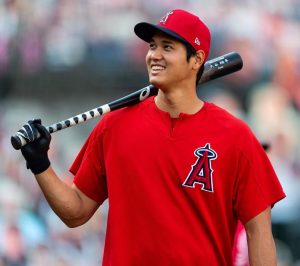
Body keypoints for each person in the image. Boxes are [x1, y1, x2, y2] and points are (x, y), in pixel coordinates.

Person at [18, 9, 285, 265]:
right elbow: (76, 212)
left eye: (167, 47)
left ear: (197, 59)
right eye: (152, 46)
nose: (154, 55)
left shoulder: (235, 136)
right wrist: (41, 165)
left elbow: (258, 231)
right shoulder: (114, 126)